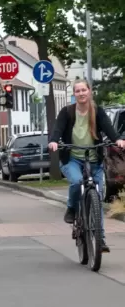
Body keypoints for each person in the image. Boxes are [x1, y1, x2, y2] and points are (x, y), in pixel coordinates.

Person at [48, 79, 125, 253]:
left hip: (94, 159)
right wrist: (53, 141)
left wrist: (118, 140)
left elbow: (108, 128)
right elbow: (58, 130)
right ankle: (71, 208)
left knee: (96, 197)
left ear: (89, 92)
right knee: (76, 182)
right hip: (72, 158)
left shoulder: (97, 111)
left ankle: (100, 238)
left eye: (84, 90)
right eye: (78, 91)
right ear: (74, 94)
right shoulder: (67, 112)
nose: (81, 93)